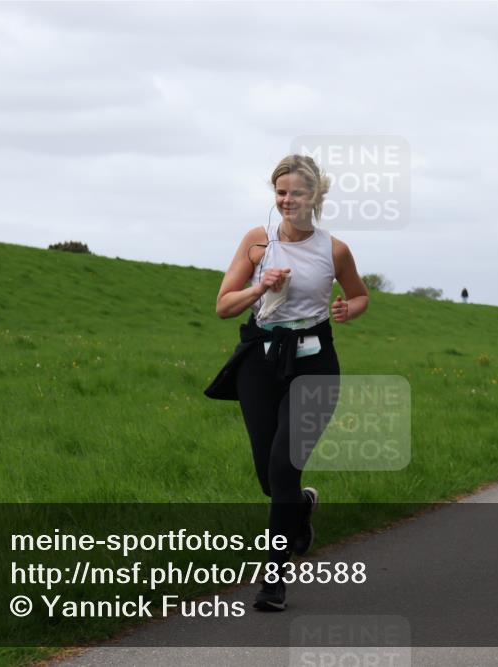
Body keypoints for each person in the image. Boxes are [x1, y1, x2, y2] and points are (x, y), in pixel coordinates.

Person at [205, 154, 369, 611]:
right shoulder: (257, 242)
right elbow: (223, 306)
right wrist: (260, 287)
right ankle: (301, 507)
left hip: (314, 365)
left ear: (315, 196)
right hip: (260, 364)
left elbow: (360, 295)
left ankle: (273, 581)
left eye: (297, 192)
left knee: (283, 466)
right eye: (281, 192)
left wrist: (347, 310)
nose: (287, 200)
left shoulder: (334, 250)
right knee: (268, 476)